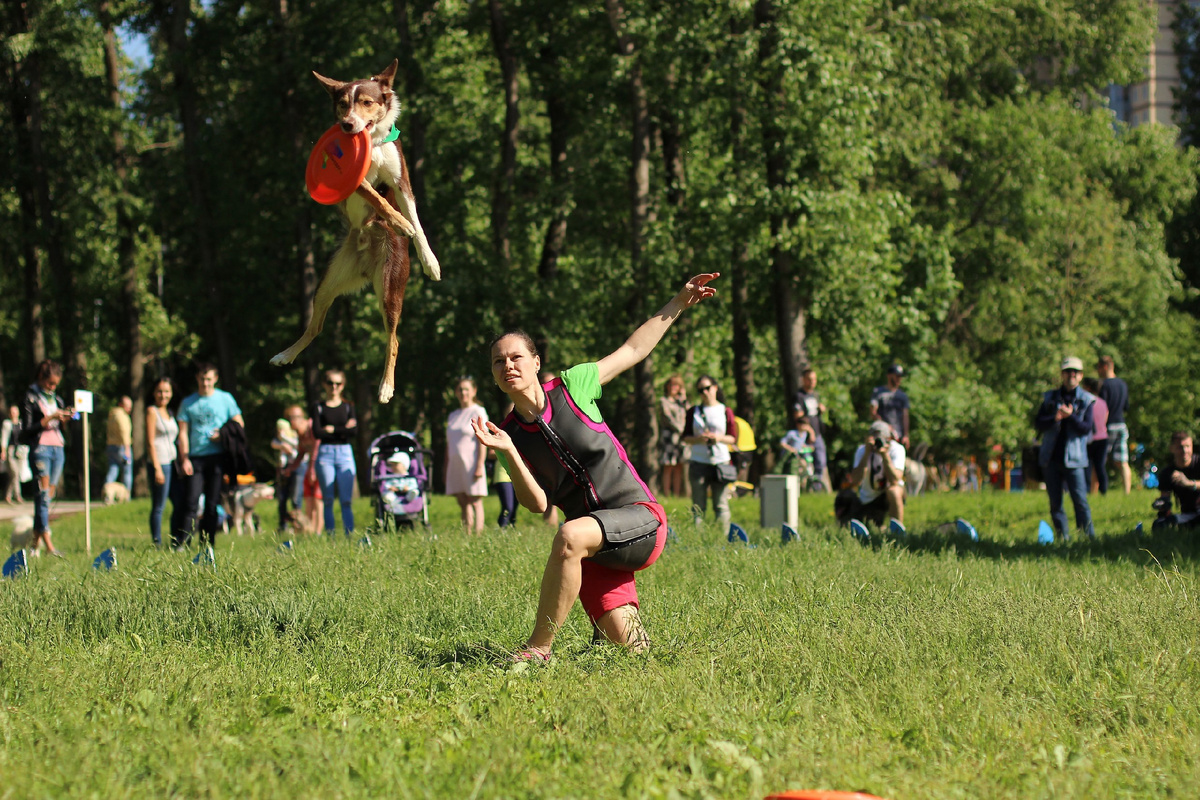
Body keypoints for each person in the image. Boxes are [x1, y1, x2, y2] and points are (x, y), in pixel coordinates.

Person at [472, 273, 719, 658]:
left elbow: (632, 350)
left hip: (639, 518)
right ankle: (603, 639)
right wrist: (509, 452)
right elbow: (537, 504)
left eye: (516, 357)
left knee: (568, 535)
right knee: (633, 653)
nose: (508, 366)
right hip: (596, 545)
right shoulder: (508, 434)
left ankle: (537, 649)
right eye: (498, 362)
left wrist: (678, 303)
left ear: (536, 362)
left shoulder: (573, 385)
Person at [175, 362, 244, 551]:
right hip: (195, 458)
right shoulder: (188, 403)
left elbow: (239, 423)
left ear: (215, 379)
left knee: (212, 504)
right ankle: (183, 543)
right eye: (202, 379)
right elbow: (183, 433)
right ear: (197, 379)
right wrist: (184, 458)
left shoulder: (225, 399)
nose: (205, 383)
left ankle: (207, 545)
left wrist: (223, 434)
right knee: (191, 501)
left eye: (208, 379)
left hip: (218, 457)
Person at [1035, 356, 1096, 541]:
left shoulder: (1087, 400)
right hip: (1050, 458)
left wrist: (1070, 417)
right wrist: (1055, 418)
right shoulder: (1050, 397)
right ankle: (1063, 538)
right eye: (1068, 371)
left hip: (1075, 459)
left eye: (1075, 372)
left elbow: (1086, 429)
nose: (1071, 375)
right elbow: (1038, 423)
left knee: (1080, 501)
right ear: (1062, 374)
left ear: (1081, 375)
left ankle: (1088, 538)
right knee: (1055, 503)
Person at [19, 360, 72, 557]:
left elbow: (60, 426)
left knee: (47, 498)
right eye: (50, 383)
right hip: (41, 449)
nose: (53, 387)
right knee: (42, 497)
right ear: (41, 378)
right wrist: (50, 418)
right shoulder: (30, 397)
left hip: (58, 449)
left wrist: (65, 418)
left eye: (56, 384)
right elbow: (26, 430)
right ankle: (49, 546)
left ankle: (34, 546)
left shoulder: (56, 399)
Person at [682, 375, 738, 530]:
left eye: (707, 388)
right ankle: (697, 537)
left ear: (715, 388)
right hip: (698, 462)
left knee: (721, 504)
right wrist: (698, 439)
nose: (705, 392)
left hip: (720, 462)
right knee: (698, 506)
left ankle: (723, 536)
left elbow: (733, 438)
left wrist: (718, 438)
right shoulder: (693, 411)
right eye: (701, 390)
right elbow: (685, 437)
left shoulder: (725, 410)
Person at [312, 369, 358, 536]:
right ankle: (330, 537)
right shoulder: (319, 407)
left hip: (345, 454)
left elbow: (353, 432)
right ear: (324, 384)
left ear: (343, 385)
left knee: (346, 500)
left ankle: (349, 535)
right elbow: (317, 433)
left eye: (338, 383)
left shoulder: (348, 406)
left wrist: (332, 429)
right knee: (328, 499)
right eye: (330, 383)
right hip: (325, 455)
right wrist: (343, 428)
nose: (334, 387)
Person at [836, 420, 906, 527]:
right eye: (875, 438)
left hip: (888, 497)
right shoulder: (862, 450)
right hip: (869, 499)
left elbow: (895, 480)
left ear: (889, 439)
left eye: (881, 438)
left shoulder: (897, 449)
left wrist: (885, 456)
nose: (878, 442)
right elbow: (855, 480)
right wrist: (866, 454)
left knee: (894, 491)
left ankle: (897, 529)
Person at [445, 377, 489, 532]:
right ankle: (467, 533)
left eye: (466, 389)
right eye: (460, 390)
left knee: (475, 500)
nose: (463, 393)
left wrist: (480, 465)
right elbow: (449, 442)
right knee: (462, 501)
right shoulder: (453, 415)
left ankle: (478, 533)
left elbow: (482, 440)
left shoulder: (478, 411)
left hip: (472, 463)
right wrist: (446, 465)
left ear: (474, 391)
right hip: (456, 464)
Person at [145, 378, 178, 547]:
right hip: (160, 462)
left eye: (166, 391)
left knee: (178, 502)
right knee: (159, 505)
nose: (163, 395)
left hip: (172, 462)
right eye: (160, 391)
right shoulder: (152, 411)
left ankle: (176, 539)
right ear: (154, 393)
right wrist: (157, 468)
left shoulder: (169, 412)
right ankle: (156, 543)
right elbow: (150, 442)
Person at [1097, 356, 1131, 495]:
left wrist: (1100, 426)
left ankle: (1094, 492)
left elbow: (1102, 407)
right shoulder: (1123, 384)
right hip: (1121, 425)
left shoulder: (1104, 385)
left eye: (1098, 368)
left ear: (1105, 367)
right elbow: (1126, 407)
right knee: (1123, 462)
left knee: (1099, 461)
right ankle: (1127, 492)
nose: (1098, 372)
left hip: (1108, 426)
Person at [792, 366, 830, 490]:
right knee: (804, 465)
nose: (812, 382)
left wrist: (821, 410)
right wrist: (809, 431)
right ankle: (804, 489)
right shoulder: (799, 396)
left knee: (821, 462)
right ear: (804, 380)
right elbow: (798, 417)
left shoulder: (815, 395)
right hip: (804, 436)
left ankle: (817, 489)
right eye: (809, 379)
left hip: (817, 435)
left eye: (814, 379)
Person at [1153, 431, 1200, 531]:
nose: (1185, 450)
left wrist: (1189, 483)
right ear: (1172, 449)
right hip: (1189, 514)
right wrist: (1162, 504)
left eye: (1188, 446)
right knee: (1160, 525)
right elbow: (1165, 498)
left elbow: (1190, 483)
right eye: (1180, 447)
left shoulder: (1198, 463)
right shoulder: (1167, 473)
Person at [658, 375, 688, 497]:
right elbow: (668, 418)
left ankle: (676, 494)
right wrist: (681, 429)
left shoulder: (681, 402)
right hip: (669, 437)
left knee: (679, 466)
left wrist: (684, 398)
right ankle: (666, 493)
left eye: (676, 385)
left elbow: (689, 412)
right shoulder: (663, 401)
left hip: (680, 438)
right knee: (668, 465)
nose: (673, 387)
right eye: (671, 385)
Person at [870, 364, 910, 448]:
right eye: (897, 376)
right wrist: (886, 427)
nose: (899, 379)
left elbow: (905, 416)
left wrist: (906, 435)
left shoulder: (903, 396)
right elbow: (873, 412)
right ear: (889, 376)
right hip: (882, 435)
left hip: (897, 437)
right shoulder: (878, 392)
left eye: (900, 376)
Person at [271, 417, 300, 533]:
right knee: (282, 498)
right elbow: (273, 444)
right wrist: (282, 445)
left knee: (295, 498)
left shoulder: (293, 435)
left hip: (294, 467)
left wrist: (284, 441)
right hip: (283, 470)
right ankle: (283, 525)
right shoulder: (278, 439)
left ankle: (297, 524)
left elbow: (297, 446)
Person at [1082, 377, 1109, 495]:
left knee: (1087, 466)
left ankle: (1087, 490)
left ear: (1087, 388)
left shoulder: (1086, 401)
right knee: (1100, 467)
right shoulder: (1102, 403)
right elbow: (1105, 419)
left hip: (1090, 439)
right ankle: (1103, 490)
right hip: (1103, 438)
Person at [104, 395, 134, 494]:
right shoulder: (122, 415)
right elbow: (124, 431)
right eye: (127, 406)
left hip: (111, 446)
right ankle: (126, 495)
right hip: (122, 447)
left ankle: (107, 492)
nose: (129, 409)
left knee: (113, 470)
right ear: (121, 405)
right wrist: (127, 449)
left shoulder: (112, 414)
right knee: (127, 471)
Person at [3, 404, 29, 503]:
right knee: (15, 473)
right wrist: (3, 451)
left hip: (20, 451)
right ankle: (18, 496)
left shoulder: (22, 424)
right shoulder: (7, 424)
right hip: (11, 450)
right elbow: (4, 438)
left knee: (15, 475)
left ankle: (8, 496)